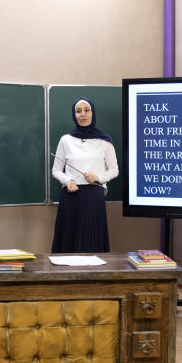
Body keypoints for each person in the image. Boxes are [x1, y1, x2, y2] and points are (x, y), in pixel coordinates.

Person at [51, 97, 119, 253]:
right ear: (74, 115)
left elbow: (114, 170)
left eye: (86, 110)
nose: (83, 115)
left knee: (92, 242)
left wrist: (98, 178)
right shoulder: (65, 140)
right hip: (71, 196)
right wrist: (67, 180)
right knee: (68, 241)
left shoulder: (105, 141)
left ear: (92, 113)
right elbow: (56, 170)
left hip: (94, 196)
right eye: (78, 111)